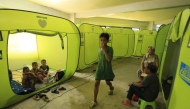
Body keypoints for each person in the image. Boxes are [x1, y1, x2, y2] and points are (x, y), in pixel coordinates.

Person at [89, 33, 115, 108]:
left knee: (107, 82)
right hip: (99, 68)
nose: (102, 41)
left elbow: (109, 60)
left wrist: (104, 50)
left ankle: (111, 87)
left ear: (107, 41)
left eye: (104, 40)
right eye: (101, 40)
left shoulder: (110, 49)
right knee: (96, 83)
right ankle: (94, 100)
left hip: (107, 68)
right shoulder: (98, 49)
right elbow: (100, 59)